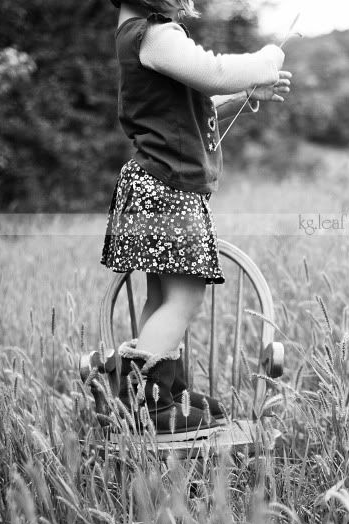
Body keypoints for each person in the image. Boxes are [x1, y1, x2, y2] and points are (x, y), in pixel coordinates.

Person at [98, 0, 292, 437]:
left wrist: (246, 94)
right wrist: (265, 60)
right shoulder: (154, 35)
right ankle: (140, 402)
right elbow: (214, 72)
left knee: (163, 297)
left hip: (153, 185)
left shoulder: (137, 35)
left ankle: (164, 391)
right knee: (185, 299)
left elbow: (192, 105)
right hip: (168, 189)